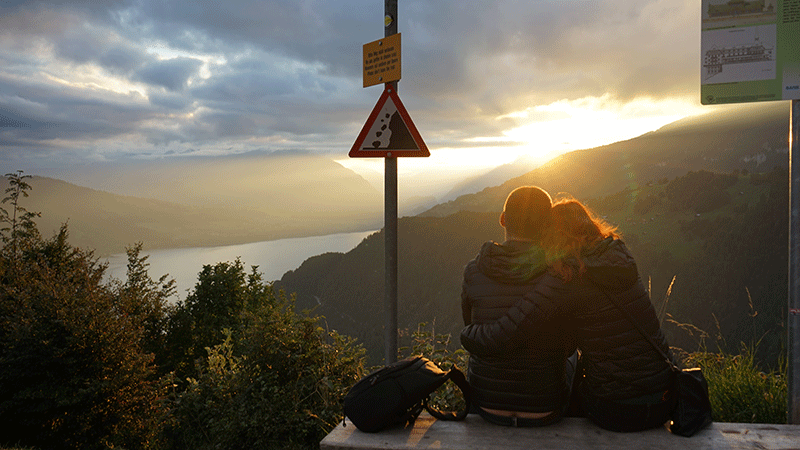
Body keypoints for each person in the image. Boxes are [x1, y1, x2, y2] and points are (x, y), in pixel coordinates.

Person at [461, 198, 675, 432]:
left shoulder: (568, 274)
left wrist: (468, 334)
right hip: (666, 398)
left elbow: (505, 333)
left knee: (572, 364)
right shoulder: (618, 257)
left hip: (616, 410)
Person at [460, 186, 578, 427]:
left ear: (503, 220)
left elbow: (471, 326)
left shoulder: (474, 270)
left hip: (485, 403)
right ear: (547, 224)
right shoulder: (559, 273)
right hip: (544, 407)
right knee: (574, 359)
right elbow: (569, 346)